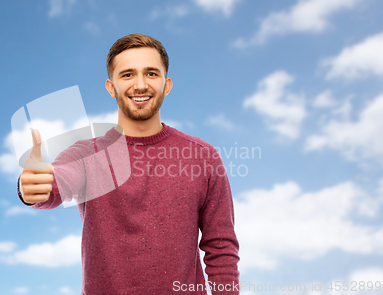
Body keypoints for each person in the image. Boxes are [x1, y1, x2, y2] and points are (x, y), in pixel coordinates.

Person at [18, 34, 240, 294]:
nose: (140, 84)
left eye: (151, 73)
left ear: (166, 85)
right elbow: (59, 182)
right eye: (127, 75)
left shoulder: (203, 156)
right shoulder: (86, 154)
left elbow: (221, 247)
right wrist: (34, 188)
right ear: (111, 87)